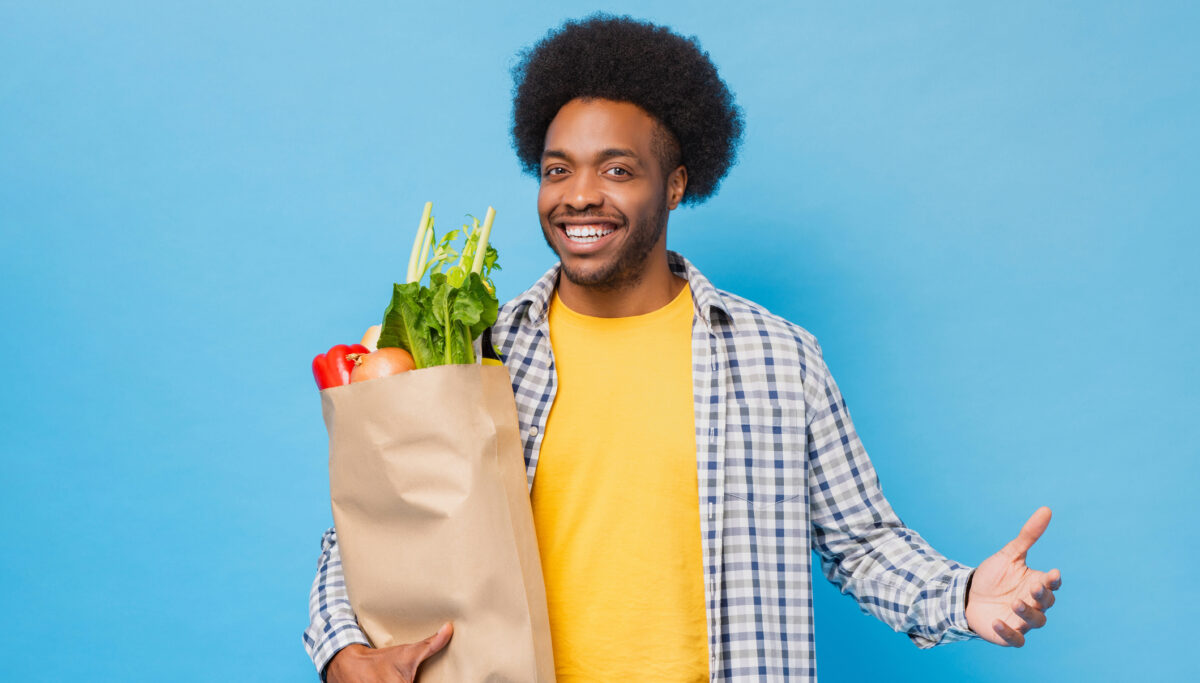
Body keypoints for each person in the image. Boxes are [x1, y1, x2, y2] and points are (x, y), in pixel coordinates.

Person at [304, 14, 1062, 682]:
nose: (579, 195)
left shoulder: (777, 356)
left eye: (619, 169)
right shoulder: (474, 350)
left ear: (675, 184)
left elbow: (861, 542)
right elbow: (375, 525)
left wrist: (962, 595)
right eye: (557, 168)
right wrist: (343, 650)